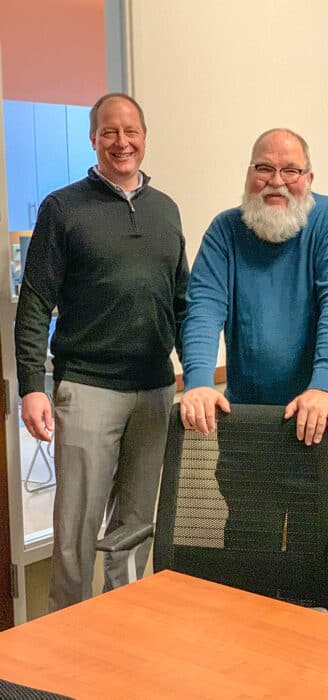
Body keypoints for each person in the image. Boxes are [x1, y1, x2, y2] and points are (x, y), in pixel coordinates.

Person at [15, 93, 189, 611]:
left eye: (130, 131)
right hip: (88, 388)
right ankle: (67, 637)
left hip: (155, 390)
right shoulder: (63, 208)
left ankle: (124, 627)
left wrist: (197, 375)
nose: (121, 142)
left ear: (144, 136)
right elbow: (34, 302)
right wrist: (31, 387)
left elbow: (182, 302)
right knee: (76, 530)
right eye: (109, 132)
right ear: (93, 139)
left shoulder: (166, 210)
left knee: (135, 527)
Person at [180, 128, 328, 541]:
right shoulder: (225, 230)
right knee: (249, 544)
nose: (276, 181)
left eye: (290, 170)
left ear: (309, 178)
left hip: (324, 421)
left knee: (315, 551)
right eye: (264, 168)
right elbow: (204, 307)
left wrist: (323, 387)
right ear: (249, 173)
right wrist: (197, 381)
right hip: (251, 422)